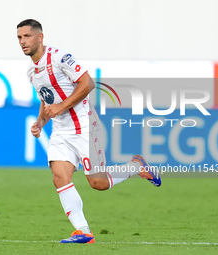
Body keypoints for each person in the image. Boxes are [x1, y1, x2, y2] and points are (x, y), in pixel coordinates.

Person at [17, 19, 161, 244]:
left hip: (84, 126)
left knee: (98, 183)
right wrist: (40, 122)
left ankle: (137, 166)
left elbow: (87, 84)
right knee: (59, 178)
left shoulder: (59, 57)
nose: (23, 41)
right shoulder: (31, 72)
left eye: (27, 36)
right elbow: (47, 100)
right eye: (19, 38)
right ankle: (83, 231)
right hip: (60, 131)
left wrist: (61, 107)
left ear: (40, 37)